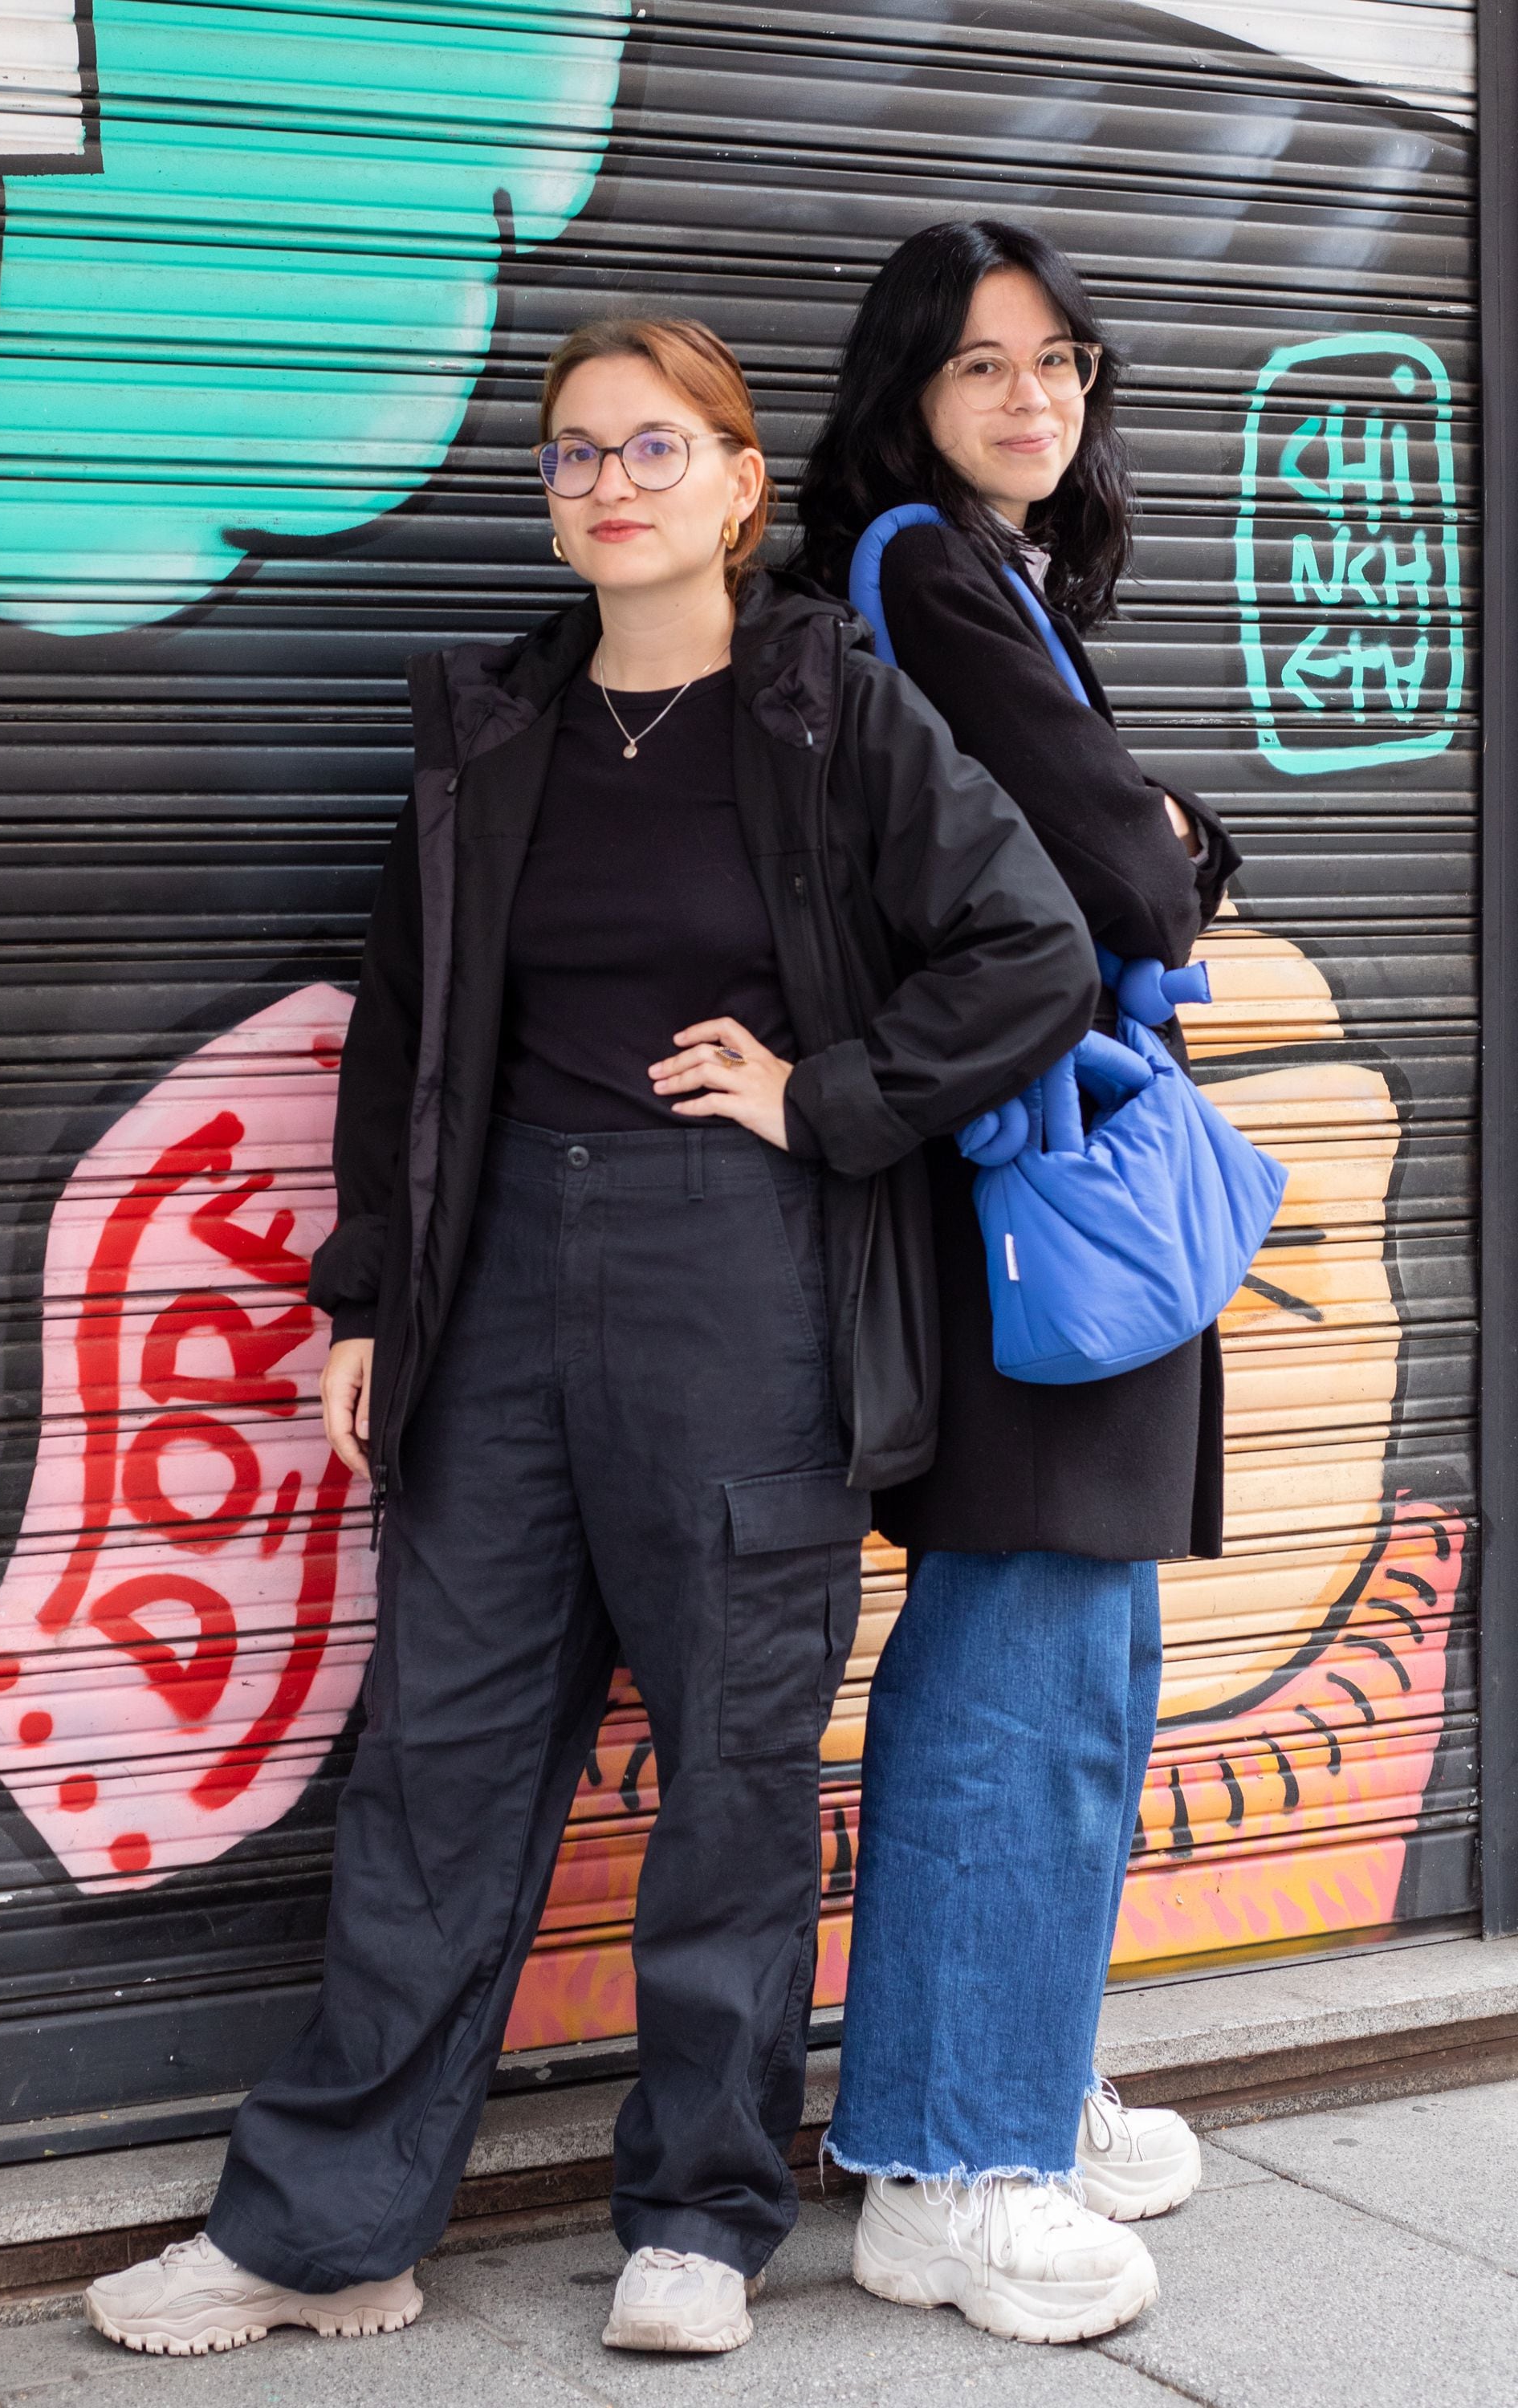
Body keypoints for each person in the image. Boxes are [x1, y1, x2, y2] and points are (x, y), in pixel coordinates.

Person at [83, 314, 1098, 2361]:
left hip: (740, 1277)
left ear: (737, 488)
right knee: (438, 1768)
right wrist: (369, 1290)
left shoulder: (834, 718)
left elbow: (1034, 951)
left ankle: (701, 2215)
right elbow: (403, 1033)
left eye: (653, 450)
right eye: (569, 457)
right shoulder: (491, 737)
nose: (607, 484)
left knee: (730, 1768)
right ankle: (323, 2229)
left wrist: (820, 1093)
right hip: (501, 1293)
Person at [795, 219, 1243, 2345]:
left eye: (1060, 360)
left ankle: (1016, 2083)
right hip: (1028, 1198)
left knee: (1086, 1648)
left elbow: (1152, 847)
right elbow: (1129, 866)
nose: (1032, 398)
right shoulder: (917, 564)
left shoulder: (1007, 577)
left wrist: (1165, 844)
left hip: (1061, 1186)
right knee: (1020, 1656)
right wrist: (1167, 850)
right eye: (983, 367)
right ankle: (951, 2164)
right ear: (908, 391)